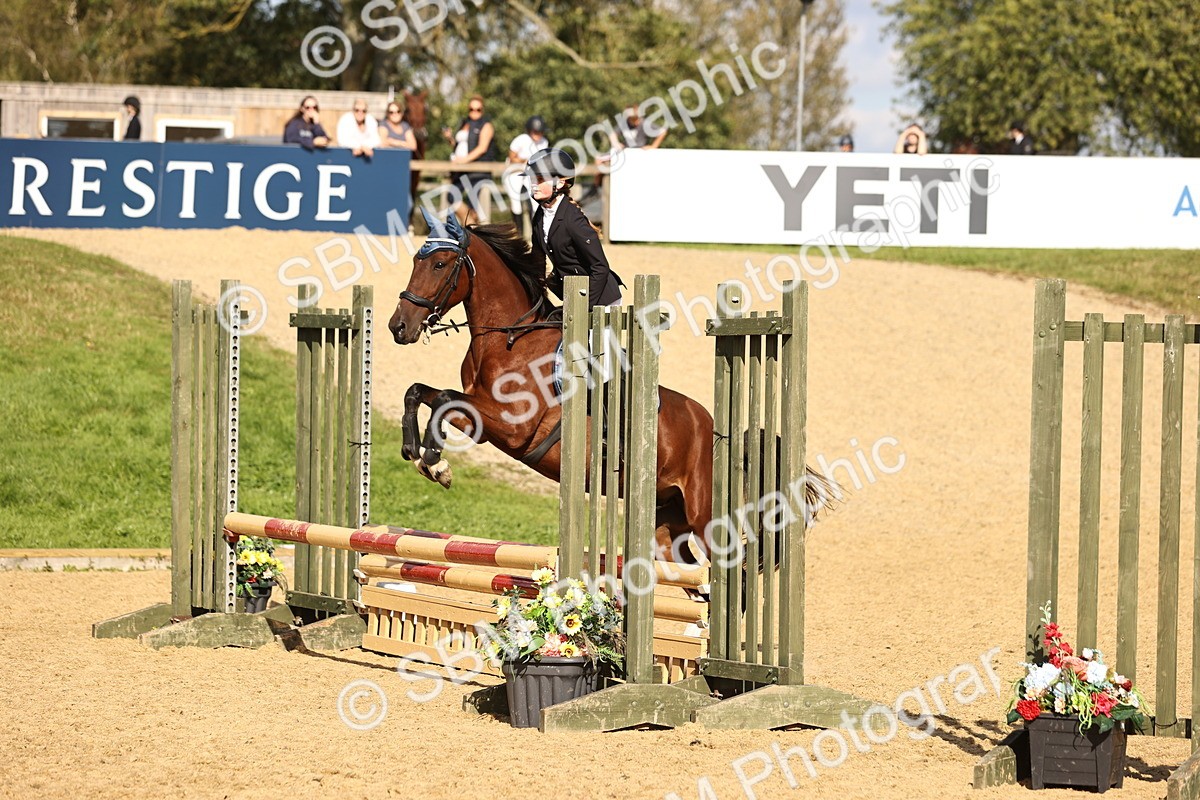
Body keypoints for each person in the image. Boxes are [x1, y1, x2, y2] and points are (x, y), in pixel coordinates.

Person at [526, 148, 623, 309]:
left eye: (540, 179)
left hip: (602, 302)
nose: (534, 185)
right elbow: (537, 262)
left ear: (560, 182)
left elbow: (600, 267)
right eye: (532, 179)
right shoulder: (540, 216)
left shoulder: (573, 219)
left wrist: (582, 307)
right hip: (574, 296)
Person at [441, 94, 496, 224]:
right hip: (461, 170)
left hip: (478, 169)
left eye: (478, 109)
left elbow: (482, 148)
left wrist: (463, 161)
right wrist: (450, 138)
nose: (474, 112)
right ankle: (470, 225)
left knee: (474, 204)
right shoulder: (464, 123)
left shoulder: (486, 125)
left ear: (482, 110)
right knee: (452, 197)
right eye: (471, 109)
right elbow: (459, 145)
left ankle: (472, 230)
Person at [590, 105, 667, 197]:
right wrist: (616, 144)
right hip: (624, 153)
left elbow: (662, 131)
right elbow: (612, 134)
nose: (634, 121)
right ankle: (596, 188)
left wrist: (653, 146)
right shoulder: (625, 123)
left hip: (638, 153)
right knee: (599, 159)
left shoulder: (644, 123)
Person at [504, 116, 550, 238]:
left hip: (531, 174)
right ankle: (519, 235)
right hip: (515, 173)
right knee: (516, 204)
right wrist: (525, 160)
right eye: (536, 132)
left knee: (535, 204)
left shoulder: (544, 142)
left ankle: (536, 234)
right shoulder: (521, 140)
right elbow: (512, 157)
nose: (538, 135)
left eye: (540, 132)